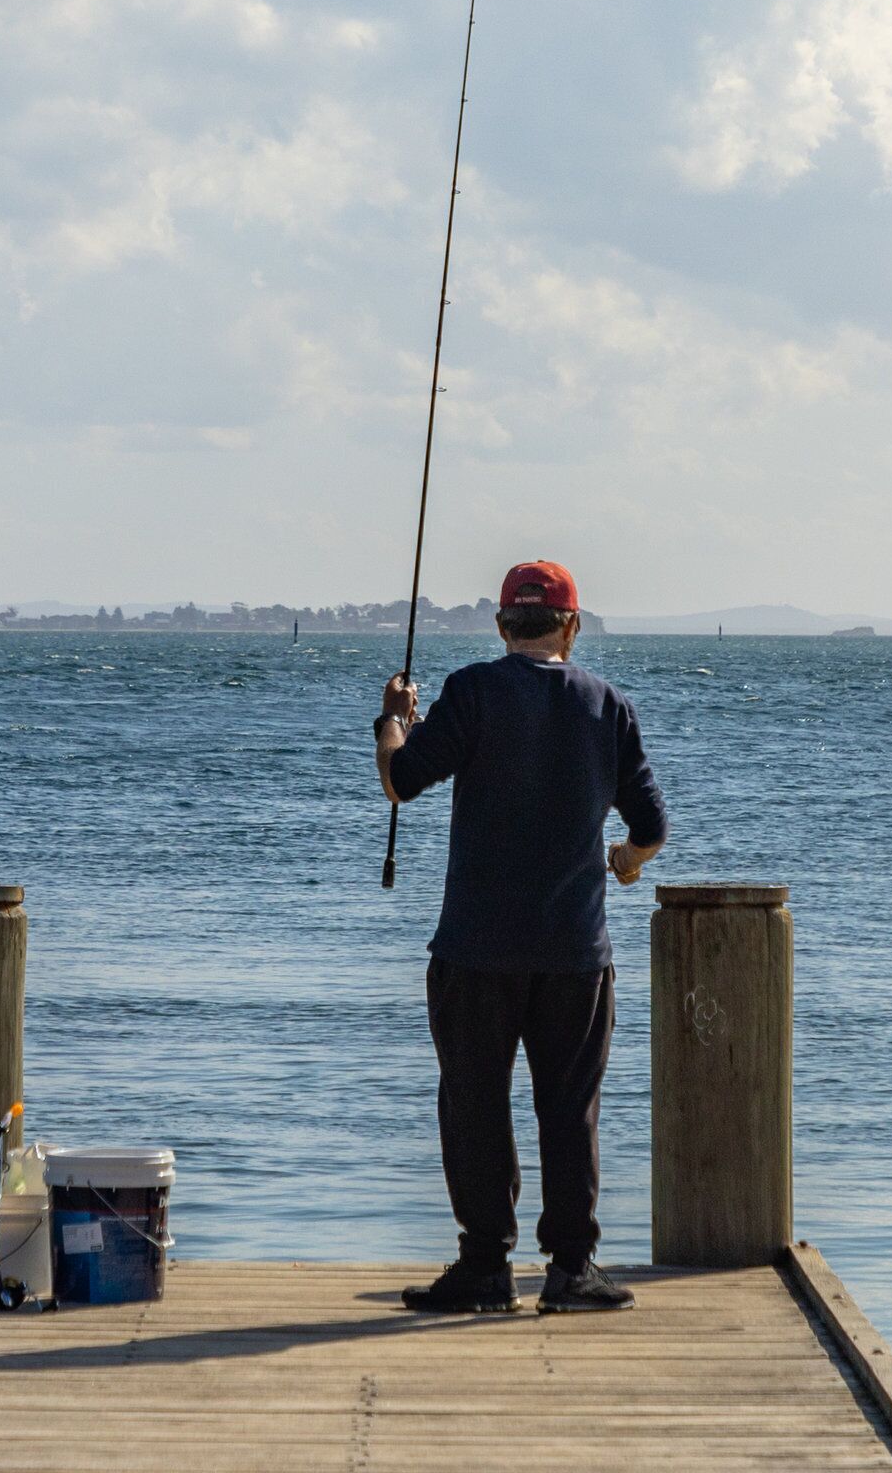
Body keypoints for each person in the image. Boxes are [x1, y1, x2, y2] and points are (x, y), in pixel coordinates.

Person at [375, 558, 668, 1315]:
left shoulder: (472, 691)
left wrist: (391, 719)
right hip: (575, 953)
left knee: (476, 1104)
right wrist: (627, 864)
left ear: (503, 624)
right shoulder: (609, 707)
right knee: (569, 1108)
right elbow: (651, 827)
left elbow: (402, 778)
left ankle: (484, 1268)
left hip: (474, 950)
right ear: (572, 625)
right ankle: (572, 1271)